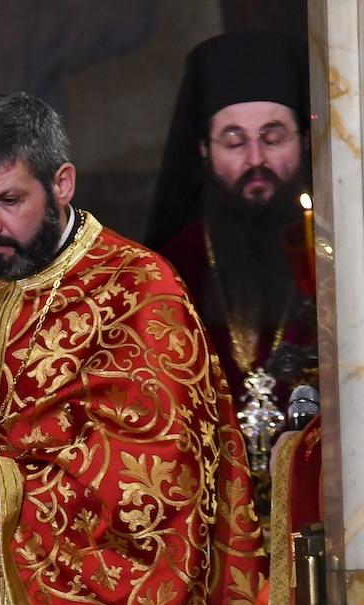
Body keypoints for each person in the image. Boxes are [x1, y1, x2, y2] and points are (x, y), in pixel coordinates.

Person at [0, 93, 267, 605]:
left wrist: (5, 485)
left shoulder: (138, 291)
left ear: (62, 184)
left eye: (8, 201)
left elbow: (158, 483)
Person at [146, 30, 317, 406]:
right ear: (204, 149)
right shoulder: (171, 269)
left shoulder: (337, 258)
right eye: (235, 141)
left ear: (304, 141)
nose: (256, 159)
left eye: (273, 139)